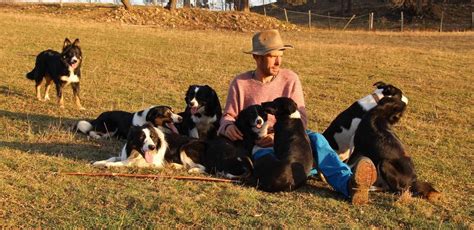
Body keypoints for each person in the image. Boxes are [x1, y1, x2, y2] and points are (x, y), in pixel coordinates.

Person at [218, 29, 377, 205]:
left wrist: (277, 136)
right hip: (260, 145)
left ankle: (350, 185)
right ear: (257, 57)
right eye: (272, 56)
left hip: (290, 137)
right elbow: (228, 116)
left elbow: (301, 118)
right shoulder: (240, 83)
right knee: (272, 161)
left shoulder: (290, 79)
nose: (278, 61)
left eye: (281, 55)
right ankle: (314, 169)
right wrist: (228, 127)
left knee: (317, 139)